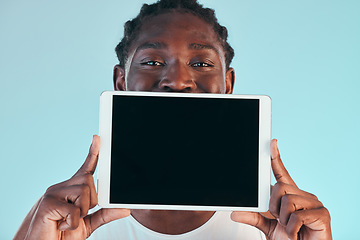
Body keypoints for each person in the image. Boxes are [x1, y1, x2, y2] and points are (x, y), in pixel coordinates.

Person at [14, 0, 332, 239]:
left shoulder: (280, 221)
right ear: (121, 82)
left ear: (229, 85)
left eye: (202, 63)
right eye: (152, 61)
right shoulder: (59, 218)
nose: (177, 80)